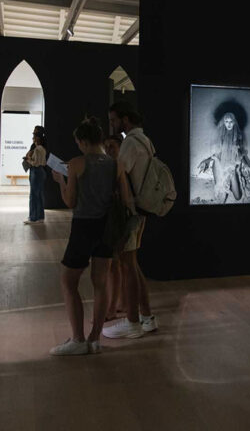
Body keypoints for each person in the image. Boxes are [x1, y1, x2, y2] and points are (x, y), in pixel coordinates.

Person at [50, 117, 116, 355]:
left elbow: (70, 201)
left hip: (83, 227)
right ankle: (95, 338)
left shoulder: (77, 163)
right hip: (107, 227)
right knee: (101, 283)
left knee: (69, 281)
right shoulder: (113, 163)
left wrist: (60, 181)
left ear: (84, 141)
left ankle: (78, 339)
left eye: (78, 141)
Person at [103, 102, 157, 339]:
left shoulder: (131, 144)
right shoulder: (146, 141)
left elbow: (119, 175)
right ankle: (146, 316)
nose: (112, 124)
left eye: (114, 120)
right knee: (132, 265)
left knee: (127, 265)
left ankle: (133, 321)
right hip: (142, 209)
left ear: (125, 120)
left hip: (129, 212)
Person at [197, 111, 250, 203]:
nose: (229, 124)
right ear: (223, 123)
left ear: (234, 122)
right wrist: (206, 161)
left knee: (238, 197)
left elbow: (239, 154)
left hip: (231, 166)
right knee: (221, 199)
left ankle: (230, 183)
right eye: (226, 121)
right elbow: (216, 155)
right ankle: (222, 183)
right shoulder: (220, 135)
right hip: (219, 164)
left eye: (231, 121)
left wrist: (246, 164)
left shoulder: (238, 136)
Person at [103, 134, 124, 321]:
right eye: (106, 146)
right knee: (117, 265)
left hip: (117, 220)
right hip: (112, 219)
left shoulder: (119, 167)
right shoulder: (111, 166)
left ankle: (113, 306)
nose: (108, 149)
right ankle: (120, 303)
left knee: (115, 265)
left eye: (112, 146)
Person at [24, 126, 47, 224]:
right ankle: (40, 217)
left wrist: (27, 159)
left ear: (38, 137)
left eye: (34, 134)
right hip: (40, 172)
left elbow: (35, 163)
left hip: (36, 171)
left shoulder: (38, 149)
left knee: (34, 195)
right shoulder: (41, 148)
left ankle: (33, 217)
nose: (33, 136)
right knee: (39, 194)